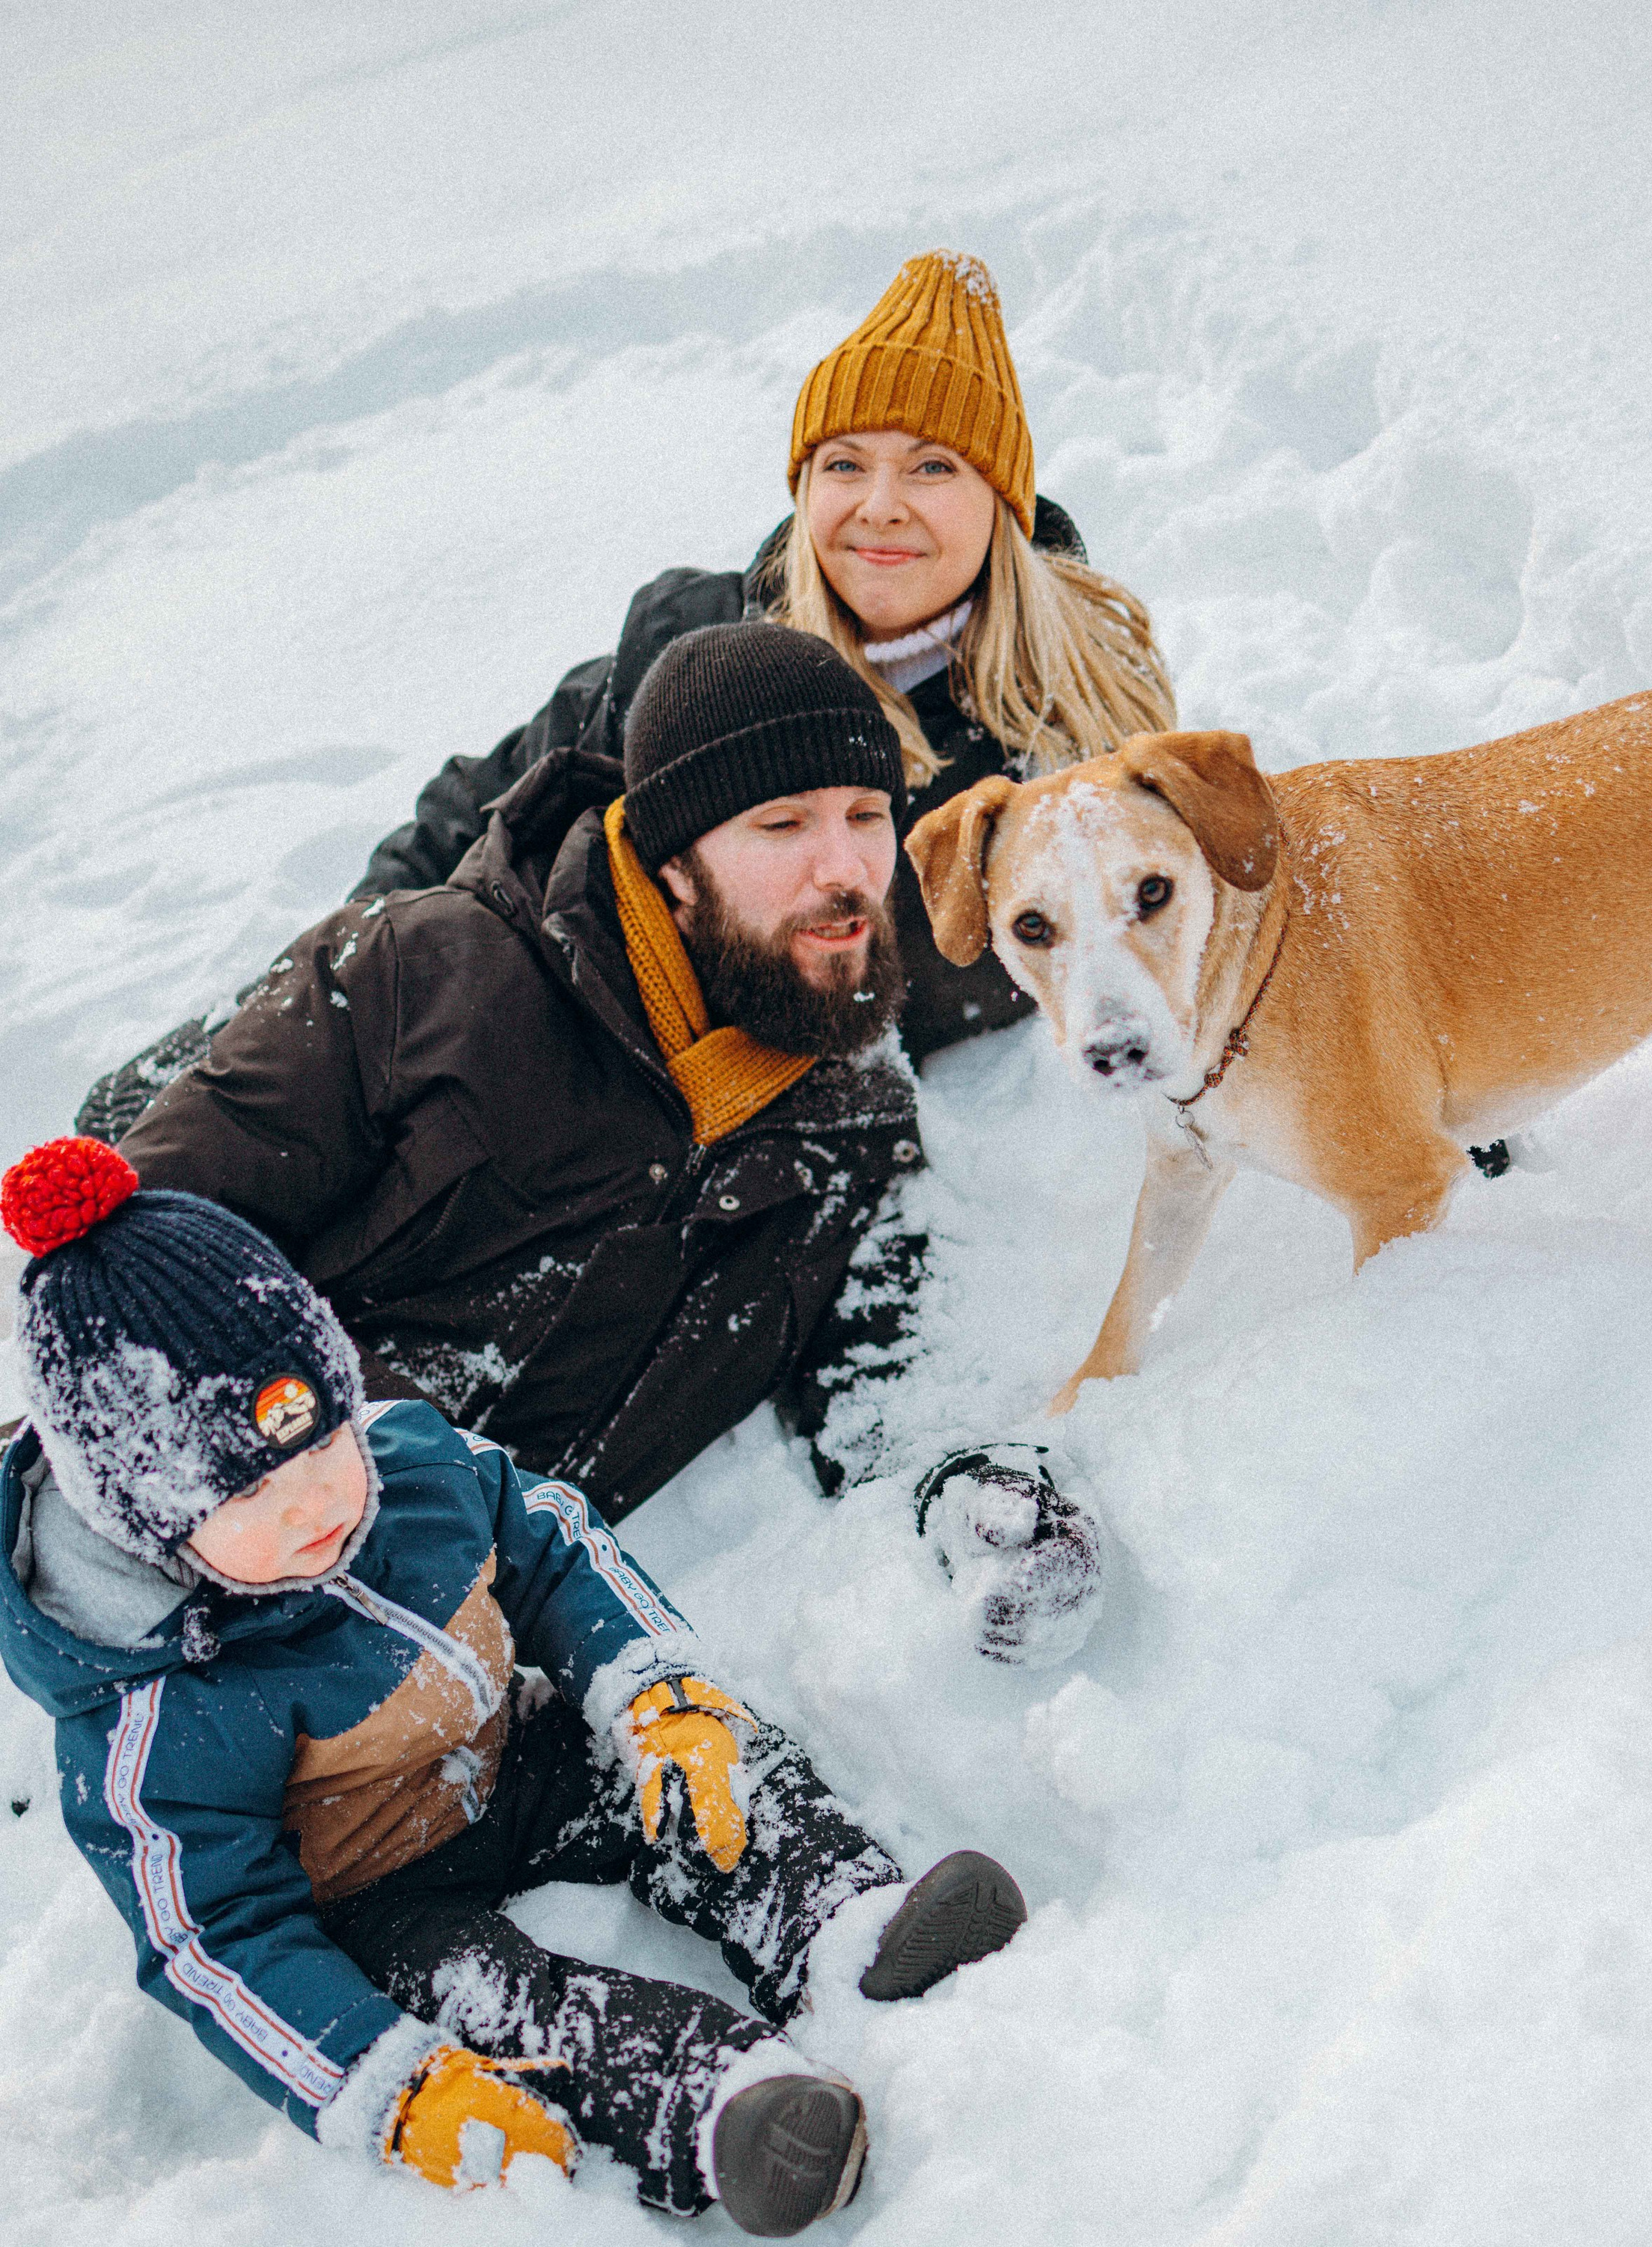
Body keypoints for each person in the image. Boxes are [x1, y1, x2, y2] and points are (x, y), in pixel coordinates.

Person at [0, 1135, 1031, 2232]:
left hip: (512, 1750)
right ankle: (721, 2105)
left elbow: (547, 1539)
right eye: (250, 1496)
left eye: (322, 1443)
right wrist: (382, 2086)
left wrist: (653, 1690)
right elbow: (210, 1939)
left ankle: (844, 1922)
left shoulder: (403, 1464)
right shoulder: (154, 1706)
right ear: (154, 1528)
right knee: (506, 1999)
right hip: (375, 1900)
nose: (315, 1504)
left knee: (704, 1774)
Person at [110, 621, 1105, 1664]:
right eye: (781, 824)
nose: (847, 866)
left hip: (454, 1641)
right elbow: (130, 1258)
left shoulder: (848, 1114)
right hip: (202, 1580)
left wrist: (973, 1488)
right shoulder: (426, 980)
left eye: (866, 814)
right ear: (674, 866)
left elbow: (881, 1358)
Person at [80, 245, 1177, 1095]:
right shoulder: (694, 642)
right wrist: (323, 1005)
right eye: (845, 463)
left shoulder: (1072, 734)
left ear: (1002, 504)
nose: (879, 505)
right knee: (147, 1145)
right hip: (514, 1014)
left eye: (932, 467)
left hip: (677, 1126)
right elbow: (481, 810)